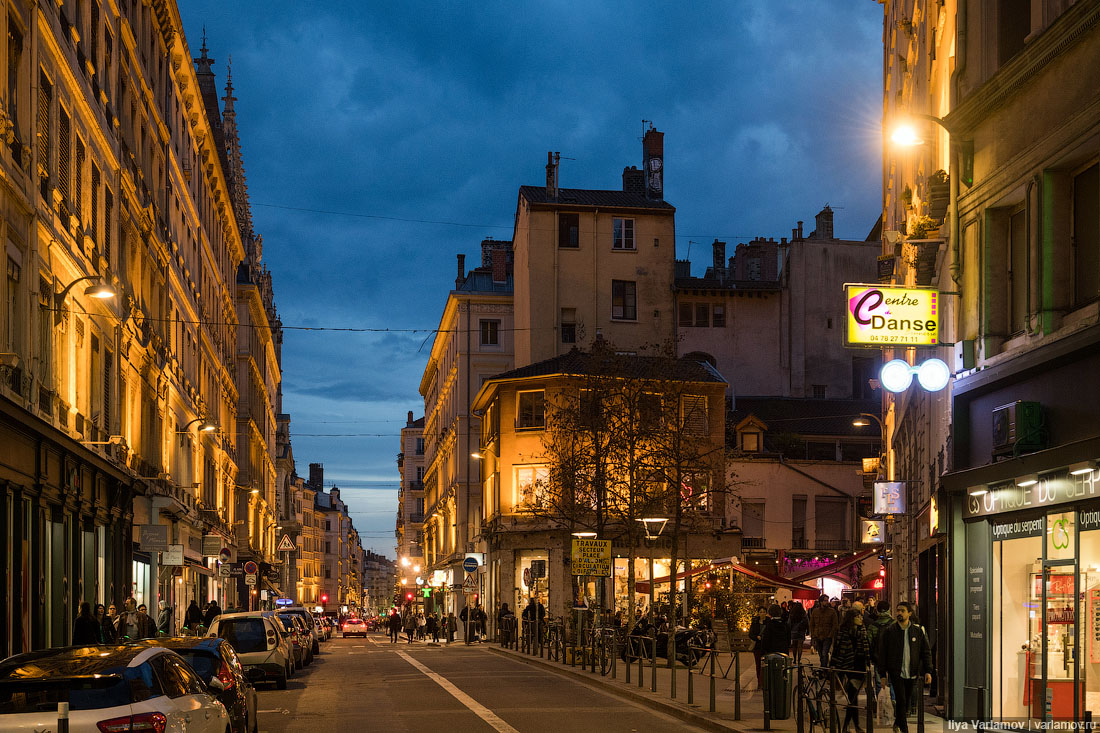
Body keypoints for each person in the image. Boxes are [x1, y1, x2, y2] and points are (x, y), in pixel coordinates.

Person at [874, 602, 932, 733]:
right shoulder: (890, 631)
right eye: (898, 610)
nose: (899, 613)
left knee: (906, 702)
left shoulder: (917, 631)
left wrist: (928, 671)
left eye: (902, 611)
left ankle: (897, 723)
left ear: (909, 614)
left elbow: (925, 651)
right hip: (896, 672)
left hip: (912, 672)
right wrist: (882, 674)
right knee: (901, 699)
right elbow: (883, 653)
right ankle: (904, 729)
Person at [831, 609, 871, 733]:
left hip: (859, 666)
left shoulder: (862, 631)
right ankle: (852, 726)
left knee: (852, 698)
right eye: (858, 617)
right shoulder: (842, 632)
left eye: (860, 617)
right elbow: (837, 650)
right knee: (852, 698)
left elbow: (867, 650)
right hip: (845, 666)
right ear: (851, 618)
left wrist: (868, 664)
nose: (861, 619)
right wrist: (833, 665)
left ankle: (848, 727)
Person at [808, 594, 840, 666]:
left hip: (827, 636)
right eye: (825, 601)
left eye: (827, 600)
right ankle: (824, 667)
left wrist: (830, 635)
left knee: (824, 653)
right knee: (820, 654)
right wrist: (813, 635)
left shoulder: (832, 611)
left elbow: (835, 624)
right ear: (821, 602)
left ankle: (824, 669)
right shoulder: (815, 611)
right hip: (818, 635)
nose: (826, 602)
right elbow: (812, 624)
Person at [749, 606, 768, 685]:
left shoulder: (769, 622)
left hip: (766, 646)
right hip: (757, 646)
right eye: (761, 612)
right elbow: (750, 634)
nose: (762, 613)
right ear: (758, 613)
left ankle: (765, 680)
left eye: (764, 612)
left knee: (765, 664)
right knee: (758, 664)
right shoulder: (755, 622)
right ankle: (759, 681)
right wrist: (756, 637)